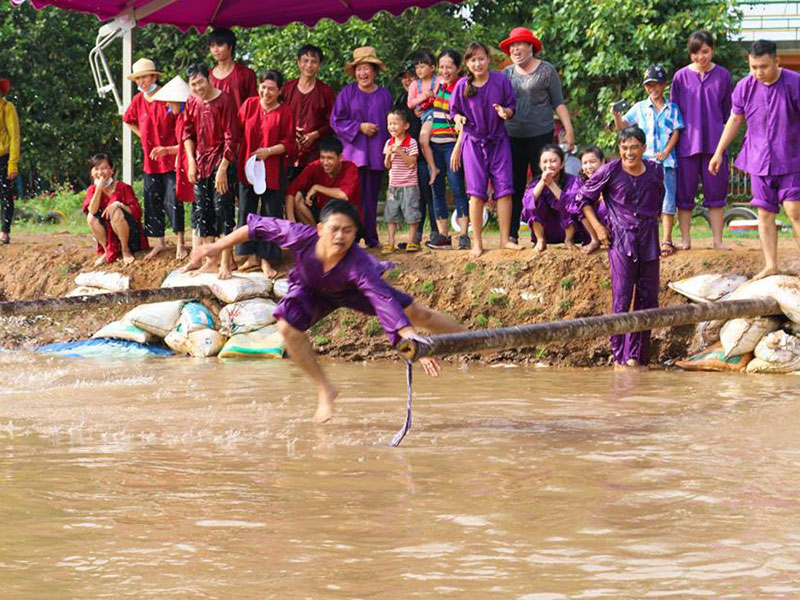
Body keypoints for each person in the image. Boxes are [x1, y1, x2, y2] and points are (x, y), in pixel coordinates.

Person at [189, 199, 464, 423]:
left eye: (348, 230)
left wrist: (409, 336)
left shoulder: (359, 265)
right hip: (311, 289)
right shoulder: (301, 236)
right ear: (320, 228)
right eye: (335, 228)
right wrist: (216, 245)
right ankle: (325, 388)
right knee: (286, 327)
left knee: (420, 314)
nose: (340, 236)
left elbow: (383, 302)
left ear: (355, 233)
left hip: (353, 291)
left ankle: (472, 339)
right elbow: (255, 227)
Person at [710, 39, 800, 280]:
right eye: (753, 67)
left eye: (763, 66)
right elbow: (734, 120)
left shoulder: (794, 83)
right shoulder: (744, 87)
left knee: (794, 210)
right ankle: (771, 265)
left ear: (776, 61)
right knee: (764, 212)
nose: (759, 72)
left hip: (792, 157)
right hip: (759, 159)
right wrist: (719, 151)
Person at [576, 127, 664, 369]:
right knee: (622, 299)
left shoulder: (655, 170)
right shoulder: (610, 170)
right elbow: (583, 199)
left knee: (648, 301)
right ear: (619, 150)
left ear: (644, 149)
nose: (629, 152)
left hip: (648, 240)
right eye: (624, 148)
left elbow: (659, 201)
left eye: (634, 147)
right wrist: (599, 228)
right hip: (621, 241)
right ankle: (619, 358)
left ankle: (639, 358)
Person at [499, 27, 576, 245]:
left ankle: (539, 235)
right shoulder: (506, 74)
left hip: (541, 136)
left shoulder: (546, 71)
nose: (515, 49)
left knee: (542, 183)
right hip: (512, 136)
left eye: (519, 45)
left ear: (530, 46)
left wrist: (569, 131)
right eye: (512, 46)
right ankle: (512, 233)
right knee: (514, 184)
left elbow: (558, 102)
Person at [450, 41, 520, 257]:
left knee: (505, 190)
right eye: (473, 60)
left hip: (499, 141)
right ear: (467, 63)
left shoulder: (500, 80)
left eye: (481, 58)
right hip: (473, 142)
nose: (477, 63)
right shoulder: (462, 85)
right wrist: (459, 118)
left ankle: (504, 239)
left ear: (488, 59)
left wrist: (505, 113)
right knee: (476, 193)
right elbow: (454, 112)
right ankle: (477, 242)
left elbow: (512, 107)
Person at [612, 65, 684, 258]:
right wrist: (615, 114)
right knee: (644, 200)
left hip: (667, 163)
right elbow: (623, 126)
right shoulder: (640, 108)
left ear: (664, 85)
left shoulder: (672, 108)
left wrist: (666, 151)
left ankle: (667, 239)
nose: (653, 89)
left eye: (657, 84)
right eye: (649, 85)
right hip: (645, 163)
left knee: (668, 199)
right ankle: (644, 238)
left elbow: (676, 131)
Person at [671, 31, 733, 251]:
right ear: (691, 54)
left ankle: (718, 241)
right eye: (696, 53)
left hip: (715, 145)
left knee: (716, 193)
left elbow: (729, 114)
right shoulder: (680, 77)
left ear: (712, 50)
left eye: (705, 51)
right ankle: (686, 240)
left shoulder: (724, 76)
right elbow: (673, 113)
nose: (701, 57)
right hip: (686, 145)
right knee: (684, 194)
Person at [122, 58, 187, 261]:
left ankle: (180, 243)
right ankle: (158, 242)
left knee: (173, 200)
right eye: (138, 78)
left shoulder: (168, 97)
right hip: (151, 161)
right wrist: (142, 134)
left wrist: (175, 149)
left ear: (153, 77)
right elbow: (127, 120)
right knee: (152, 201)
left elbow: (183, 123)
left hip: (171, 158)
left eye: (145, 77)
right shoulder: (138, 101)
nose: (142, 81)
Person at [180, 63, 241, 279]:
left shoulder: (224, 100)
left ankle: (226, 261)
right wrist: (190, 160)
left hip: (221, 162)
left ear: (209, 79)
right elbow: (187, 133)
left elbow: (232, 137)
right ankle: (211, 261)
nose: (197, 87)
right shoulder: (191, 101)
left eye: (200, 82)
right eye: (193, 84)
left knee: (223, 209)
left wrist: (224, 167)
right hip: (200, 162)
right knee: (202, 212)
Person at [330, 47, 393, 248]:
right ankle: (352, 237)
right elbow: (336, 121)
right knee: (352, 197)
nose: (363, 73)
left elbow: (392, 125)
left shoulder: (384, 95)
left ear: (375, 71)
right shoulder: (347, 93)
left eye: (367, 69)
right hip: (353, 154)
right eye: (359, 69)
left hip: (376, 154)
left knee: (371, 198)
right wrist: (359, 127)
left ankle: (372, 237)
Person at [237, 70, 294, 278]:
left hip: (272, 169)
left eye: (271, 88)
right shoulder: (249, 104)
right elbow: (236, 132)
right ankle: (250, 256)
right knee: (246, 211)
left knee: (270, 214)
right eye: (263, 87)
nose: (266, 92)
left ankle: (266, 260)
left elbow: (289, 143)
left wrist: (268, 151)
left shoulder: (285, 112)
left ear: (279, 91)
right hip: (248, 167)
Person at [426, 49, 471, 251]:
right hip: (435, 144)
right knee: (436, 189)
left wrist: (457, 149)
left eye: (449, 67)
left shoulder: (461, 89)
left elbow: (465, 123)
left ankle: (463, 235)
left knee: (457, 187)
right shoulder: (439, 88)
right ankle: (443, 235)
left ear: (458, 68)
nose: (444, 71)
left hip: (452, 145)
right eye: (441, 67)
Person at [395, 60, 437, 246]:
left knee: (431, 192)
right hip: (409, 156)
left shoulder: (432, 94)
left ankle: (437, 232)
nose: (407, 81)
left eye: (410, 77)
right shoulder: (400, 101)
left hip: (429, 152)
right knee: (414, 196)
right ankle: (416, 236)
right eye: (404, 78)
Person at [83, 154, 148, 265]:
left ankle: (125, 250)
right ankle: (107, 251)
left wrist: (119, 205)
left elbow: (137, 212)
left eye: (103, 168)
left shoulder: (123, 187)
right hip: (108, 234)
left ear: (111, 170)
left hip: (129, 233)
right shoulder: (92, 190)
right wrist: (99, 188)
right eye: (96, 169)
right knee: (91, 217)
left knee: (116, 211)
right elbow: (92, 210)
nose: (100, 172)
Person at [282, 44, 335, 180]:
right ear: (299, 63)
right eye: (305, 61)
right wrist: (292, 132)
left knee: (310, 195)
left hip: (315, 151)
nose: (309, 65)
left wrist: (314, 135)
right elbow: (278, 116)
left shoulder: (325, 91)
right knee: (286, 194)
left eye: (314, 61)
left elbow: (333, 122)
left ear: (319, 65)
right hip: (288, 150)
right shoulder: (287, 88)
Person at [520, 144, 584, 252]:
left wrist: (551, 185)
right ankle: (540, 240)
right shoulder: (535, 183)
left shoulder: (573, 181)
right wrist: (543, 182)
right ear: (540, 165)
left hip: (569, 229)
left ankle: (568, 240)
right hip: (546, 229)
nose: (549, 165)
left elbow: (573, 205)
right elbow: (527, 204)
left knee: (570, 204)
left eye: (553, 161)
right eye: (545, 162)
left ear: (562, 164)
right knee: (533, 202)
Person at [286, 136, 361, 225]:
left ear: (340, 157)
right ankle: (315, 235)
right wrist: (291, 224)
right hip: (322, 213)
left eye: (330, 158)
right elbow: (290, 192)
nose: (325, 162)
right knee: (298, 196)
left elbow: (344, 195)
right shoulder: (314, 166)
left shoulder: (351, 168)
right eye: (322, 157)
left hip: (347, 217)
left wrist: (316, 188)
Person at [150, 76, 195, 205]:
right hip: (186, 165)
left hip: (195, 165)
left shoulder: (191, 117)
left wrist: (168, 150)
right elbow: (182, 145)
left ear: (179, 101)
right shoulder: (181, 117)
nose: (167, 104)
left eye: (170, 101)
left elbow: (191, 144)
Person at [382, 108, 422, 253]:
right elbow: (387, 166)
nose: (391, 127)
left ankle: (412, 241)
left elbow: (412, 162)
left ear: (405, 126)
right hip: (393, 185)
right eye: (389, 123)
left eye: (395, 123)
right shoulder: (388, 143)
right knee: (391, 214)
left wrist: (398, 151)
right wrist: (388, 155)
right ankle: (391, 241)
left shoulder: (411, 142)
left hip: (409, 185)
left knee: (411, 213)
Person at [406, 50, 440, 185]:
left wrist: (431, 97)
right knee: (423, 142)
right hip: (425, 116)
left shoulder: (437, 80)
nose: (419, 70)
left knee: (423, 140)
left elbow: (441, 96)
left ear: (432, 67)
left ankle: (433, 168)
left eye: (422, 66)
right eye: (417, 67)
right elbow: (410, 103)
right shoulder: (415, 84)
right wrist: (424, 96)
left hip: (436, 113)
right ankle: (433, 167)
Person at [208, 27, 258, 110]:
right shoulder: (207, 76)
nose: (215, 50)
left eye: (220, 45)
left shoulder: (246, 74)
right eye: (212, 46)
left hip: (240, 122)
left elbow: (254, 105)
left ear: (230, 46)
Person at [574, 145, 606, 254]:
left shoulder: (611, 177)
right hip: (592, 224)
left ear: (602, 162)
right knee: (578, 205)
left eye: (592, 162)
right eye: (585, 163)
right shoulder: (580, 180)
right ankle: (594, 240)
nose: (588, 166)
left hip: (611, 219)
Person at [0, 78, 19, 245]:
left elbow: (14, 137)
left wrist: (12, 163)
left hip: (3, 157)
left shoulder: (7, 108)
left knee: (5, 194)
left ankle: (4, 231)